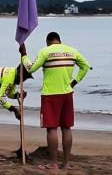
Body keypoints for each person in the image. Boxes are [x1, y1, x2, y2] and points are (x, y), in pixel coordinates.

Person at [20, 32, 90, 171]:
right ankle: (66, 163)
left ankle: (53, 163)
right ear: (59, 41)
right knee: (66, 128)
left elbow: (30, 68)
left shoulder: (45, 51)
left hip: (50, 95)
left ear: (48, 42)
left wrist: (24, 55)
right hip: (67, 93)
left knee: (51, 128)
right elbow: (86, 66)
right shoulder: (72, 51)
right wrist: (74, 82)